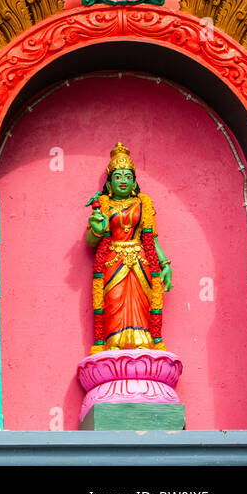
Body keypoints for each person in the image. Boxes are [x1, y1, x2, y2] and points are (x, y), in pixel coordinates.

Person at [86, 143, 171, 352]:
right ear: (109, 182)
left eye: (127, 176)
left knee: (142, 302)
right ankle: (113, 341)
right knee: (114, 299)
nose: (123, 180)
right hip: (113, 260)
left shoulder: (143, 203)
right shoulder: (103, 205)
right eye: (118, 176)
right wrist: (97, 229)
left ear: (134, 181)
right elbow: (91, 241)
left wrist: (165, 264)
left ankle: (143, 341)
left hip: (141, 260)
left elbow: (151, 238)